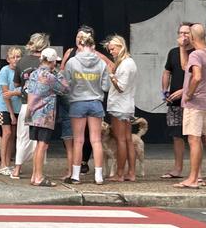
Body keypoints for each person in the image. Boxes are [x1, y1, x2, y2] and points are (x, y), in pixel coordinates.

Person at [60, 25, 113, 175]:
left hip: (77, 101)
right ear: (93, 44)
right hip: (95, 102)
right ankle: (99, 175)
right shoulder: (100, 62)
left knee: (78, 140)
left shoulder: (72, 61)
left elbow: (65, 81)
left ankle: (75, 175)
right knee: (96, 140)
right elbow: (106, 86)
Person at [175, 23, 206, 189]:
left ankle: (193, 179)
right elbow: (186, 67)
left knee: (193, 139)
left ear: (192, 37)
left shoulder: (196, 55)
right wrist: (182, 48)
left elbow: (196, 76)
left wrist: (189, 93)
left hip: (195, 103)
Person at [25, 48, 69, 187]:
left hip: (32, 113)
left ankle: (34, 175)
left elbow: (25, 89)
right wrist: (58, 73)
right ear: (52, 61)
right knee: (42, 146)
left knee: (38, 145)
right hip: (45, 115)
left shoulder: (33, 74)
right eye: (55, 62)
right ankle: (38, 177)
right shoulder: (49, 76)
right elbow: (65, 89)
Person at [11, 33, 49, 179]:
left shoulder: (22, 62)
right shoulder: (45, 62)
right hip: (42, 105)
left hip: (26, 104)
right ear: (44, 46)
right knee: (40, 140)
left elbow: (16, 84)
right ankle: (36, 172)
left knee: (22, 137)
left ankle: (16, 169)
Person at [160, 22, 193, 179]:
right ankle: (177, 169)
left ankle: (196, 172)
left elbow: (192, 73)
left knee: (193, 136)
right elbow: (167, 71)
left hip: (191, 100)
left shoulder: (196, 52)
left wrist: (184, 91)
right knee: (177, 135)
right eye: (181, 33)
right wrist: (165, 90)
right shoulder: (172, 52)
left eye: (186, 33)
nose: (183, 36)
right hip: (174, 100)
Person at [105, 35, 138, 182]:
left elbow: (121, 87)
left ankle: (119, 173)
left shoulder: (124, 64)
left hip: (119, 105)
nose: (111, 52)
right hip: (127, 105)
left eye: (112, 49)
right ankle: (131, 172)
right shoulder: (130, 63)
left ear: (120, 47)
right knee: (128, 139)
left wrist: (111, 74)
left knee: (121, 140)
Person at [0, 47, 21, 176]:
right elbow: (6, 94)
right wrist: (11, 113)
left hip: (18, 107)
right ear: (8, 59)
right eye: (13, 57)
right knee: (7, 133)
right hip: (4, 107)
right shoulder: (4, 71)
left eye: (18, 57)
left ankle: (8, 163)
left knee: (13, 136)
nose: (16, 60)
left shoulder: (21, 72)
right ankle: (2, 164)